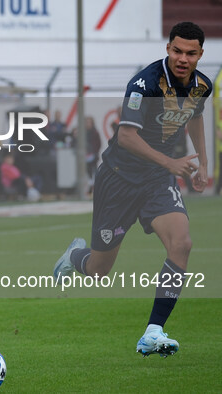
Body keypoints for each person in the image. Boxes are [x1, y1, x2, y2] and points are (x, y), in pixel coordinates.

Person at [53, 22, 211, 358]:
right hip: (119, 178)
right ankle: (74, 257)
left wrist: (204, 164)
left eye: (191, 53)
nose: (183, 58)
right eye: (177, 51)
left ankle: (153, 332)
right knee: (98, 269)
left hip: (156, 179)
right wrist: (170, 163)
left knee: (181, 243)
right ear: (168, 49)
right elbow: (126, 136)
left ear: (200, 54)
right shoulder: (145, 84)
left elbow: (195, 115)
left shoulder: (201, 86)